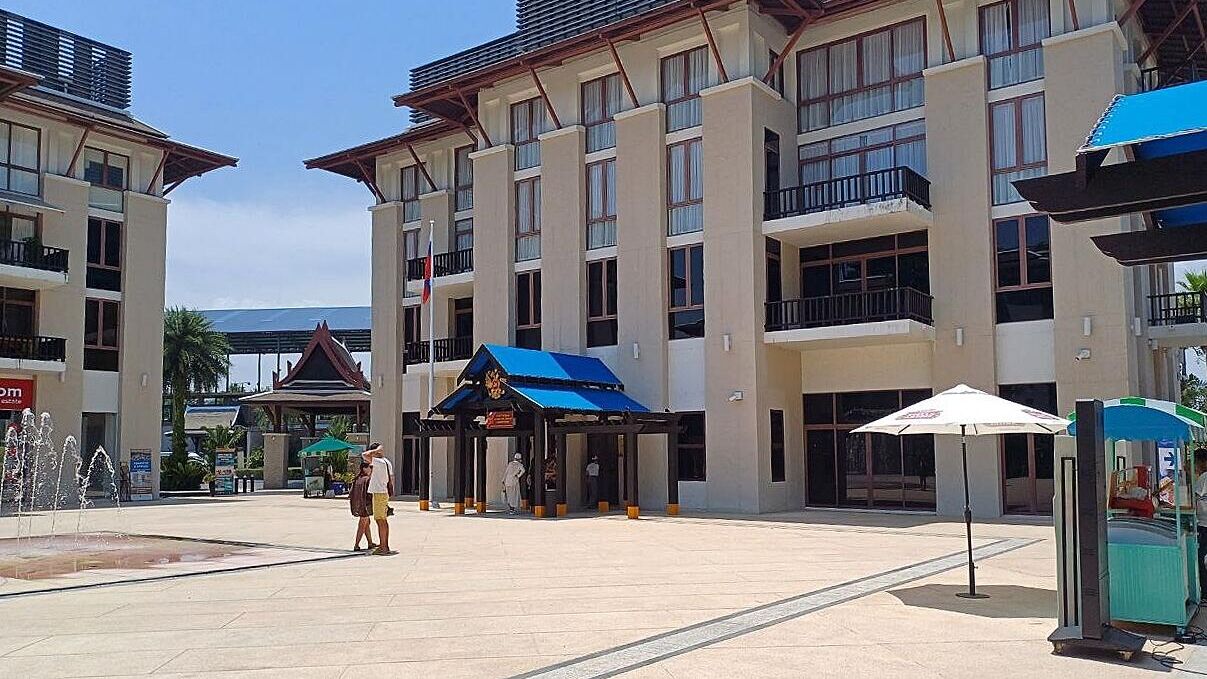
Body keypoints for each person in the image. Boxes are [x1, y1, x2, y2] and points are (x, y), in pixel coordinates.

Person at [362, 443, 396, 556]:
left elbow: (364, 455)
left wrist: (377, 450)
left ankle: (383, 547)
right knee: (383, 520)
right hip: (383, 492)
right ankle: (384, 545)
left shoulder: (378, 461)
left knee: (380, 520)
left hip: (379, 493)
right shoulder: (387, 462)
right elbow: (391, 478)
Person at [349, 462, 376, 552]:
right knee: (362, 525)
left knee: (366, 524)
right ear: (364, 468)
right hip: (365, 505)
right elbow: (370, 493)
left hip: (358, 504)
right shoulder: (367, 479)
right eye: (370, 467)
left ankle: (370, 543)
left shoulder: (357, 479)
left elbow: (351, 493)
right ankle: (356, 545)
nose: (371, 469)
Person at [1194, 447, 1207, 598]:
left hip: (1204, 524)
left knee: (1200, 557)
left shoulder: (1204, 477)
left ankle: (1204, 592)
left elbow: (1194, 499)